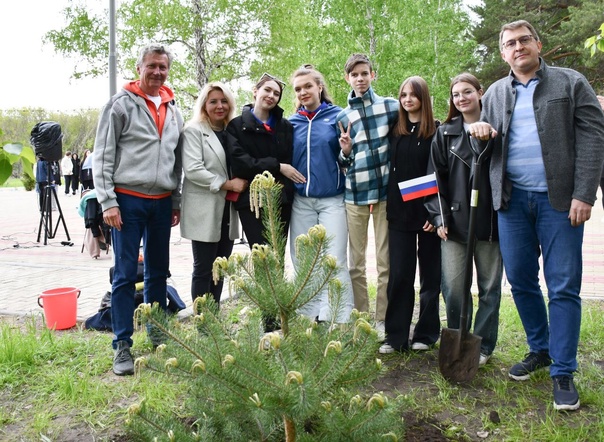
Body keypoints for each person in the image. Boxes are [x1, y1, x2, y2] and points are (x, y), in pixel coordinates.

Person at [469, 20, 604, 410]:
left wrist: (584, 194)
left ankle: (563, 370)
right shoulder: (495, 92)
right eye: (509, 43)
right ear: (502, 53)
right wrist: (481, 132)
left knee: (562, 285)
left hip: (560, 202)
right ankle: (540, 349)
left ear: (538, 44)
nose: (517, 47)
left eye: (524, 40)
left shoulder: (569, 82)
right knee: (523, 281)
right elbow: (490, 140)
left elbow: (594, 138)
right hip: (512, 202)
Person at [93, 43, 184, 376]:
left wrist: (175, 199)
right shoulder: (119, 106)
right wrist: (108, 202)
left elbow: (176, 161)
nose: (157, 72)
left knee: (159, 271)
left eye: (163, 67)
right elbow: (102, 155)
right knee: (124, 273)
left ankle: (158, 335)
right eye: (152, 66)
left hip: (161, 203)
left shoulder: (174, 110)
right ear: (139, 68)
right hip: (126, 201)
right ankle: (122, 345)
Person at [425, 73, 502, 365]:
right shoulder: (445, 133)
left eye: (467, 92)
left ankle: (482, 345)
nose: (461, 98)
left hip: (491, 222)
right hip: (455, 224)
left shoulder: (498, 128)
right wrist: (439, 217)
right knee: (454, 288)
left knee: (489, 288)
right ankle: (458, 337)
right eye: (456, 94)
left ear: (480, 93)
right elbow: (434, 180)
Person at [227, 72, 303, 331]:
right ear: (255, 91)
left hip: (281, 200)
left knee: (277, 257)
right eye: (267, 90)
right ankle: (268, 321)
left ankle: (278, 315)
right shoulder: (236, 126)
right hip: (252, 202)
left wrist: (280, 170)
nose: (271, 96)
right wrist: (277, 166)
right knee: (262, 257)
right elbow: (241, 163)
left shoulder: (285, 127)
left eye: (277, 93)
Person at [336, 53, 398, 338]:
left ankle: (382, 319)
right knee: (355, 263)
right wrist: (346, 152)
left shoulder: (390, 107)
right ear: (347, 78)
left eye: (364, 73)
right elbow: (343, 163)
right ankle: (361, 318)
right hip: (355, 194)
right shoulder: (342, 116)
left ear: (373, 74)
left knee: (385, 260)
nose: (360, 78)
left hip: (385, 193)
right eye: (354, 75)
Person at [378, 76, 440, 354]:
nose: (407, 99)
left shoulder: (436, 132)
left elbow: (440, 176)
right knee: (400, 275)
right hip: (399, 214)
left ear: (423, 98)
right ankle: (395, 336)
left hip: (428, 216)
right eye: (403, 94)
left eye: (413, 95)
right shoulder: (395, 132)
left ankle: (425, 334)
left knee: (430, 277)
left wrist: (434, 212)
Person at [288, 65, 354, 324]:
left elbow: (349, 159)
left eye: (308, 86)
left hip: (332, 200)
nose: (303, 92)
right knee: (303, 261)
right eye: (298, 89)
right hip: (301, 201)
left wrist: (346, 152)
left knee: (334, 258)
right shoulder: (292, 122)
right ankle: (307, 316)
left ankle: (337, 316)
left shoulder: (339, 116)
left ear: (319, 87)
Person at [180, 82, 248, 305]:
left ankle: (214, 316)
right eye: (213, 101)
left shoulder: (233, 131)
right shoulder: (193, 131)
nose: (220, 106)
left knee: (220, 267)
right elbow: (193, 169)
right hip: (205, 210)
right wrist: (227, 184)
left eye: (224, 101)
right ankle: (203, 321)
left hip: (228, 210)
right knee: (203, 268)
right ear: (204, 105)